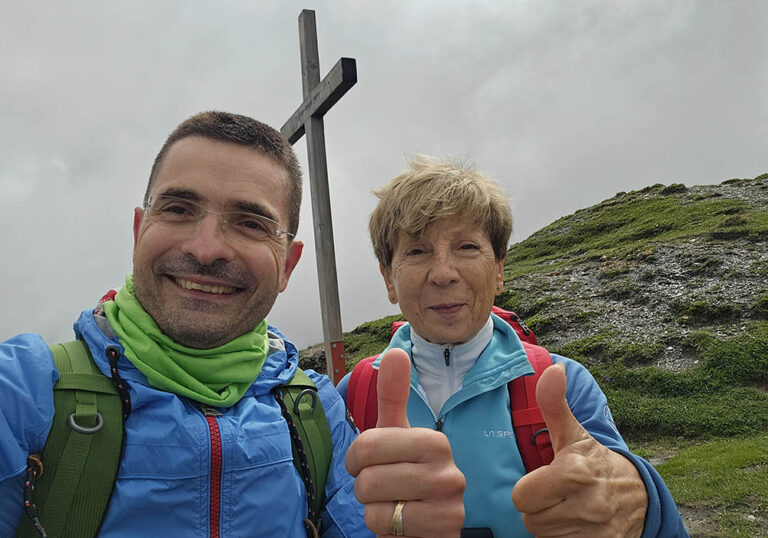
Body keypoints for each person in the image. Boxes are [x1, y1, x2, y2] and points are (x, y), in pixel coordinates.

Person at [0, 112, 465, 537]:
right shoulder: (24, 391)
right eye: (179, 209)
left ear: (288, 264)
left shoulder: (315, 410)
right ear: (139, 230)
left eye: (249, 223)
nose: (206, 249)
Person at [338, 155, 689, 537]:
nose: (442, 274)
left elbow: (617, 500)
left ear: (500, 269)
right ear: (388, 278)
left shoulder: (563, 383)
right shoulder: (353, 393)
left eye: (467, 247)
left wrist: (641, 505)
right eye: (417, 251)